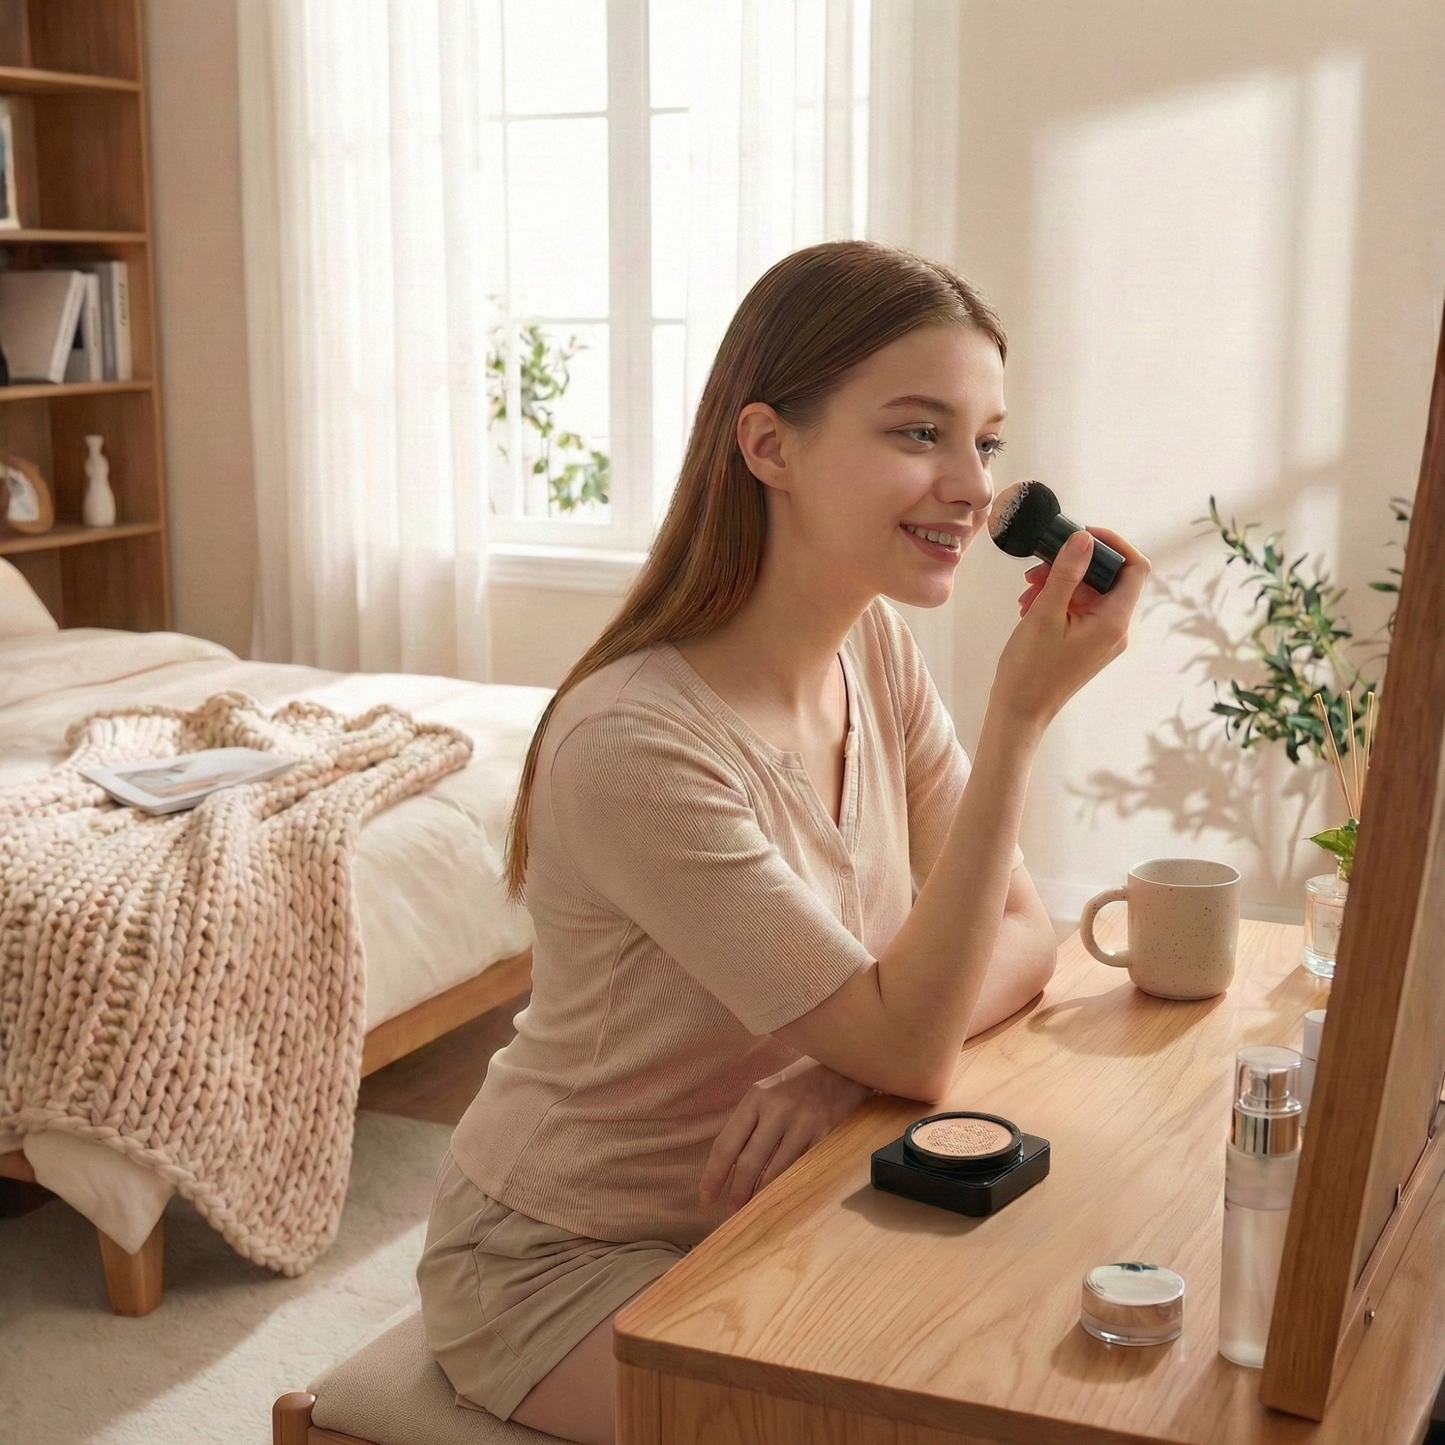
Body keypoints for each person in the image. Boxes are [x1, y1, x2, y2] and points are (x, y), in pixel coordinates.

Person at [416, 239, 1150, 1445]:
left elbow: (1026, 932)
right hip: (567, 1259)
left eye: (984, 442)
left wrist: (835, 1063)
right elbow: (915, 1041)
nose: (971, 488)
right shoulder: (635, 743)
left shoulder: (873, 650)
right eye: (917, 432)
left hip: (799, 1192)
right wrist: (1019, 715)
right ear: (767, 446)